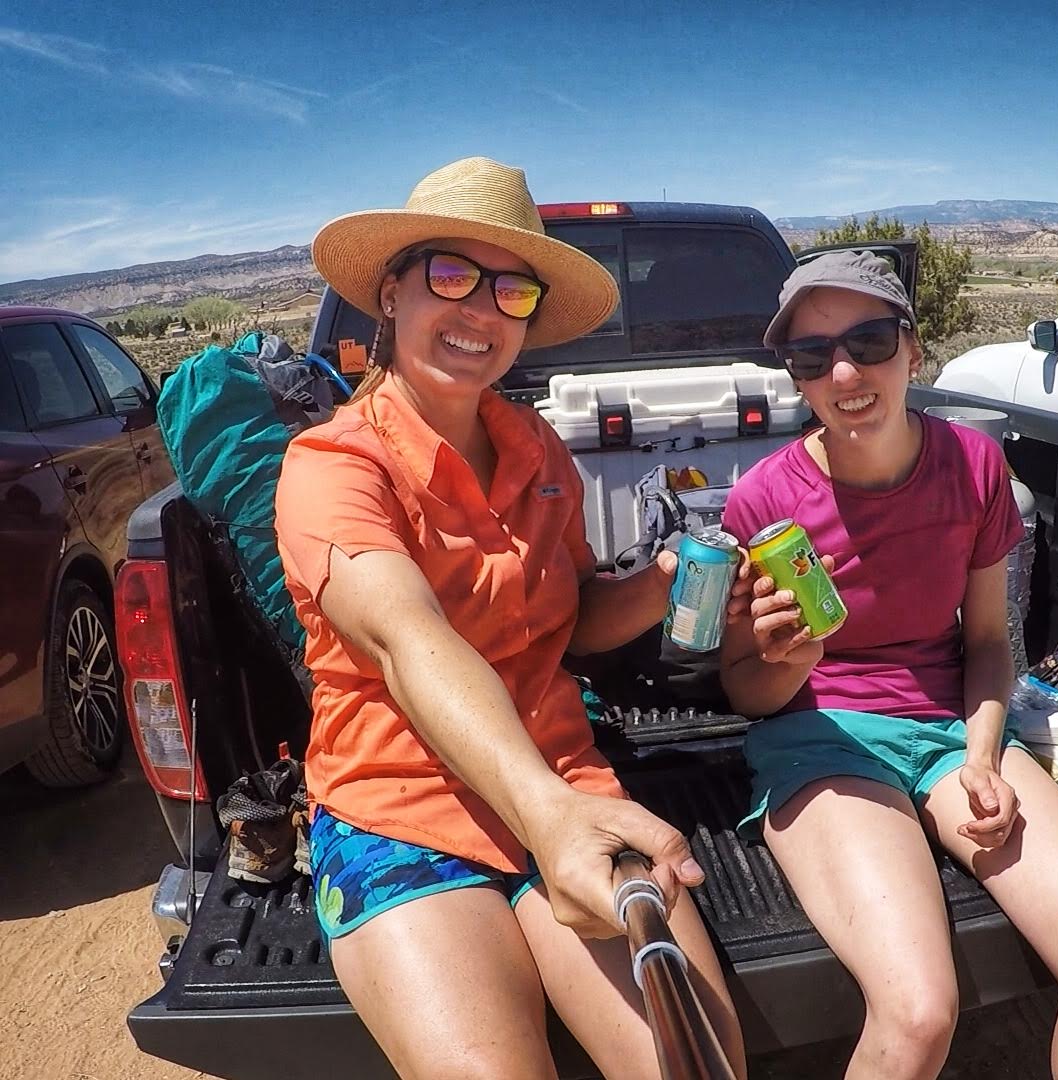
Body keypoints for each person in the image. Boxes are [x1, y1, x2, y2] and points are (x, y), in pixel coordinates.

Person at [275, 157, 745, 1080]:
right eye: (451, 275)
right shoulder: (333, 466)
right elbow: (409, 642)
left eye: (513, 290)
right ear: (392, 293)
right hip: (398, 805)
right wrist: (548, 814)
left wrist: (659, 584)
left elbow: (570, 627)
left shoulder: (539, 453)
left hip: (566, 780)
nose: (481, 310)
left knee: (697, 1066)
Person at [718, 250, 1058, 1080]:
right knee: (917, 1017)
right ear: (798, 381)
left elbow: (989, 643)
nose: (844, 370)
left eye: (869, 340)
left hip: (953, 730)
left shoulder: (975, 467)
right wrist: (789, 657)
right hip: (822, 739)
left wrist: (984, 759)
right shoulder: (763, 502)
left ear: (913, 349)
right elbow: (748, 689)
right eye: (812, 357)